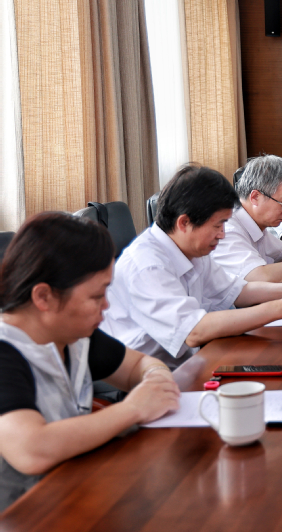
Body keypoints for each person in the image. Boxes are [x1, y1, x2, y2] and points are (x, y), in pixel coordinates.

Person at [0, 213, 181, 510]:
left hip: (73, 492)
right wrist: (133, 408)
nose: (106, 305)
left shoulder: (73, 335)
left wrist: (157, 382)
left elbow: (139, 365)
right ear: (44, 296)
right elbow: (31, 450)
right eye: (97, 296)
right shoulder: (6, 352)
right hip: (23, 513)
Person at [100, 165, 282, 368]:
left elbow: (238, 291)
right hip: (150, 377)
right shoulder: (147, 264)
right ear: (184, 222)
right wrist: (280, 308)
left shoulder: (192, 249)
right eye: (217, 225)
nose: (222, 234)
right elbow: (193, 331)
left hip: (189, 361)